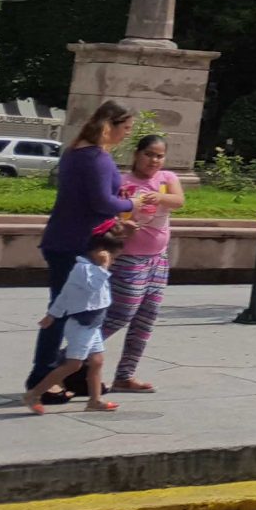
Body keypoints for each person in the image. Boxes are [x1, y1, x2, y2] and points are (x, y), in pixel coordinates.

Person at [24, 101, 148, 406]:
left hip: (70, 241)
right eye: (126, 128)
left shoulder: (78, 152)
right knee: (68, 313)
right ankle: (43, 379)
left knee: (85, 313)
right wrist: (132, 205)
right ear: (112, 125)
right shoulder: (94, 157)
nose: (127, 135)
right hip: (75, 245)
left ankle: (73, 374)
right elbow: (100, 202)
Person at [101, 135, 183, 393]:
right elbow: (107, 215)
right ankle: (68, 359)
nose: (154, 160)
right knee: (121, 314)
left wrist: (158, 198)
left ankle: (125, 375)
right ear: (137, 154)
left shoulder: (167, 179)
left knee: (146, 318)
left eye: (159, 156)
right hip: (128, 259)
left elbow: (179, 201)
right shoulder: (123, 182)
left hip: (158, 260)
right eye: (149, 154)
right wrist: (121, 225)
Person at [26, 225, 127, 414]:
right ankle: (35, 393)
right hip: (80, 325)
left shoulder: (93, 268)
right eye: (113, 258)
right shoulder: (84, 270)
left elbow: (65, 295)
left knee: (97, 361)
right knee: (73, 364)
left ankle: (95, 400)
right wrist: (104, 267)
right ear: (101, 253)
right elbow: (89, 288)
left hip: (93, 325)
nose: (113, 262)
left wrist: (52, 315)